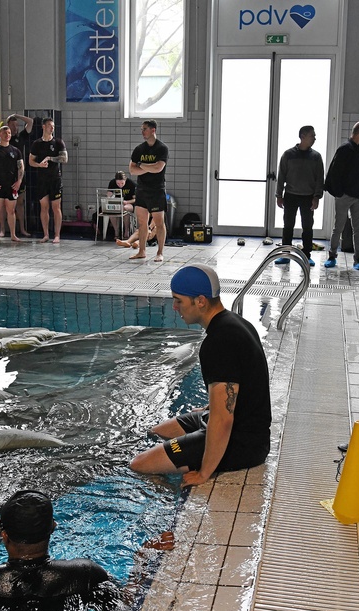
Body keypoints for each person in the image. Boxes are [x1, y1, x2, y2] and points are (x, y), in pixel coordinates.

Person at [130, 265, 272, 487]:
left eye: (179, 301)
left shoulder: (219, 342)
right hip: (234, 425)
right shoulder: (234, 323)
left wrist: (204, 472)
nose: (175, 307)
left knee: (139, 464)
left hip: (243, 443)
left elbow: (224, 419)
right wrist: (210, 409)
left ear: (201, 301)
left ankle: (166, 490)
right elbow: (242, 389)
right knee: (156, 432)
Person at [275, 126, 324, 267]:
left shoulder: (316, 157)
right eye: (312, 135)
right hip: (290, 195)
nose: (314, 138)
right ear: (303, 136)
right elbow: (281, 176)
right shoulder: (288, 155)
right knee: (288, 226)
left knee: (307, 227)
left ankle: (307, 255)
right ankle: (285, 255)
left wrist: (317, 197)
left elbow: (320, 179)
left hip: (308, 197)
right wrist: (279, 195)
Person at [324, 121, 359, 270]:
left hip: (358, 194)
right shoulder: (344, 149)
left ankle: (358, 258)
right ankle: (332, 256)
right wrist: (339, 193)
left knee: (358, 227)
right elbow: (335, 173)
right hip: (345, 195)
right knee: (339, 226)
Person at [128, 120, 169, 261]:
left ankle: (160, 252)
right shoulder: (139, 149)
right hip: (142, 190)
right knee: (142, 222)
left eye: (144, 129)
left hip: (156, 190)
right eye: (141, 129)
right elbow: (132, 170)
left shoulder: (162, 148)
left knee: (159, 223)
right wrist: (149, 167)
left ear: (153, 130)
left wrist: (142, 165)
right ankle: (142, 251)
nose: (142, 131)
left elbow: (159, 168)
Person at [29, 117, 69, 243]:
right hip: (42, 179)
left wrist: (51, 158)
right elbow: (31, 161)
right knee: (44, 207)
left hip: (55, 179)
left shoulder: (58, 142)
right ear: (44, 127)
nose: (52, 128)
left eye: (53, 126)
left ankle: (57, 235)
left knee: (56, 207)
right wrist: (39, 165)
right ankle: (46, 234)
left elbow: (64, 159)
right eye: (50, 126)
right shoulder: (37, 144)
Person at [7, 114, 35, 237]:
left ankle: (22, 229)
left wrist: (17, 116)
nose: (15, 128)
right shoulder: (3, 138)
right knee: (6, 204)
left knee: (20, 202)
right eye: (12, 125)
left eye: (16, 125)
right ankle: (4, 229)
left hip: (19, 174)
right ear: (7, 126)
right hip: (6, 174)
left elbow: (31, 121)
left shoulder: (21, 136)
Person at [106, 170, 136, 240]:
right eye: (118, 184)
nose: (120, 185)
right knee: (111, 210)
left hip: (129, 203)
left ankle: (126, 231)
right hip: (117, 204)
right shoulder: (112, 183)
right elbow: (108, 196)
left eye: (122, 183)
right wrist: (110, 198)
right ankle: (116, 231)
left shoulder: (131, 184)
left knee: (124, 208)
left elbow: (135, 199)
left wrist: (127, 202)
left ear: (125, 180)